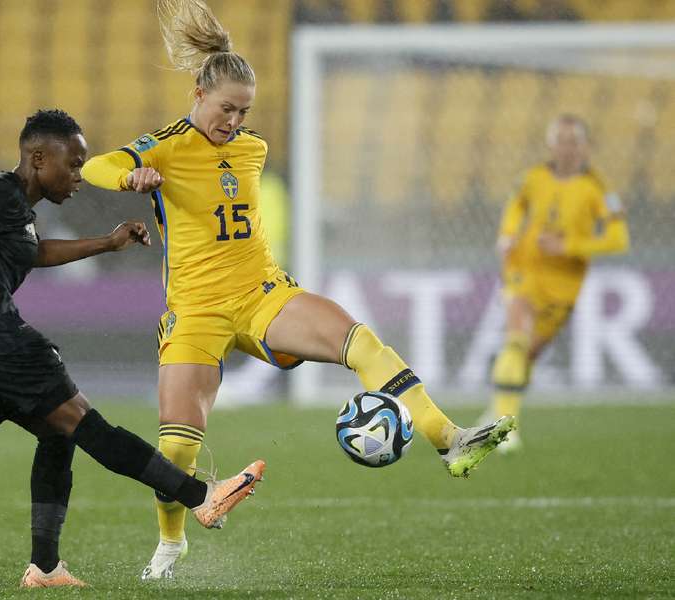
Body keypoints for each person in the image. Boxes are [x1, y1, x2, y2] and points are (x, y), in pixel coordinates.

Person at [82, 0, 515, 581]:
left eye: (243, 111)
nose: (233, 121)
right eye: (225, 108)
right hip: (196, 311)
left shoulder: (253, 149)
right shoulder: (165, 145)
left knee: (360, 343)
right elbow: (95, 166)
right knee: (177, 451)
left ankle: (449, 439)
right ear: (197, 94)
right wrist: (129, 174)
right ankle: (170, 542)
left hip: (263, 293)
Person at [0, 109, 265, 589]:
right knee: (87, 424)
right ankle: (200, 497)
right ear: (38, 158)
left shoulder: (16, 213)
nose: (79, 176)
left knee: (58, 434)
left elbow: (35, 252)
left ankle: (44, 569)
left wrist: (107, 244)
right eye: (73, 164)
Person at [485, 114, 630, 452]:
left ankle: (499, 409)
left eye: (573, 141)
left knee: (529, 355)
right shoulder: (533, 177)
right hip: (523, 271)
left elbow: (618, 238)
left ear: (585, 147)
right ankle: (505, 430)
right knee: (516, 340)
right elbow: (515, 205)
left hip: (563, 284)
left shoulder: (599, 189)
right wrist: (507, 236)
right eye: (560, 140)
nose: (566, 148)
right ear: (550, 144)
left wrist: (570, 247)